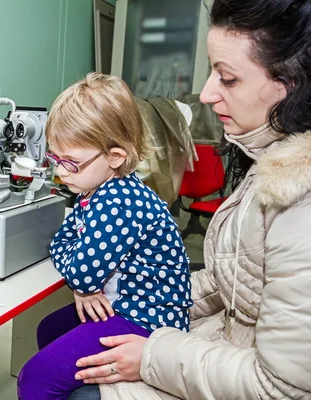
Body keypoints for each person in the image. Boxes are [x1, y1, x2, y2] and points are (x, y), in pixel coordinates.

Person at [67, 1, 311, 399]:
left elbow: (283, 386)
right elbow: (230, 282)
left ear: (295, 82)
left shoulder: (300, 202)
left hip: (244, 373)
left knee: (76, 386)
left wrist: (151, 354)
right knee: (62, 335)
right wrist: (145, 302)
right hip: (224, 341)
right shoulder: (270, 159)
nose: (208, 93)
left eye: (228, 78)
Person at [16, 73, 193, 400]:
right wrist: (78, 268)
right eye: (55, 158)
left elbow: (82, 274)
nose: (60, 172)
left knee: (35, 378)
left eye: (71, 162)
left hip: (146, 318)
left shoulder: (118, 202)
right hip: (126, 302)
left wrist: (80, 275)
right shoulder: (95, 188)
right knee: (48, 329)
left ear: (115, 156)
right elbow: (64, 239)